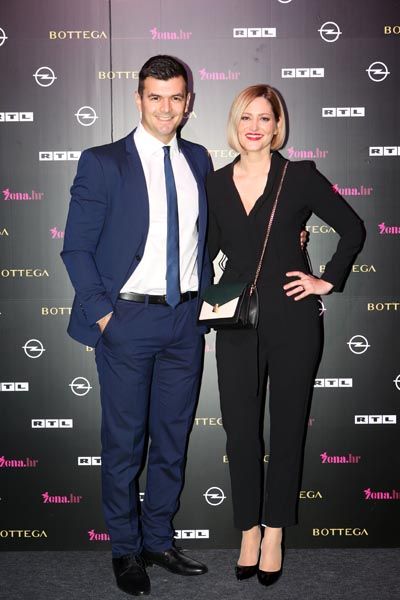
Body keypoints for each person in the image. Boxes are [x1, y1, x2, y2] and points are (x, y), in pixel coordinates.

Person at [61, 55, 212, 597]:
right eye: (155, 96)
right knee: (125, 445)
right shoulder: (103, 162)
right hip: (126, 319)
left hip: (184, 321)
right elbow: (76, 248)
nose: (166, 108)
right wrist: (105, 316)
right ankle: (125, 549)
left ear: (188, 102)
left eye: (176, 97)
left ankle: (158, 541)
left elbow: (209, 237)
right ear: (138, 99)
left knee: (172, 440)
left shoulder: (199, 159)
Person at [206, 84, 365, 587]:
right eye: (246, 117)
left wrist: (326, 280)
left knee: (289, 427)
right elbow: (206, 250)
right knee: (240, 431)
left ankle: (274, 531)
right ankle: (248, 530)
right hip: (237, 322)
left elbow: (353, 228)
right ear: (235, 124)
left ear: (278, 126)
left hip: (294, 320)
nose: (254, 126)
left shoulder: (299, 177)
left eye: (264, 118)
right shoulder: (214, 183)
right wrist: (205, 297)